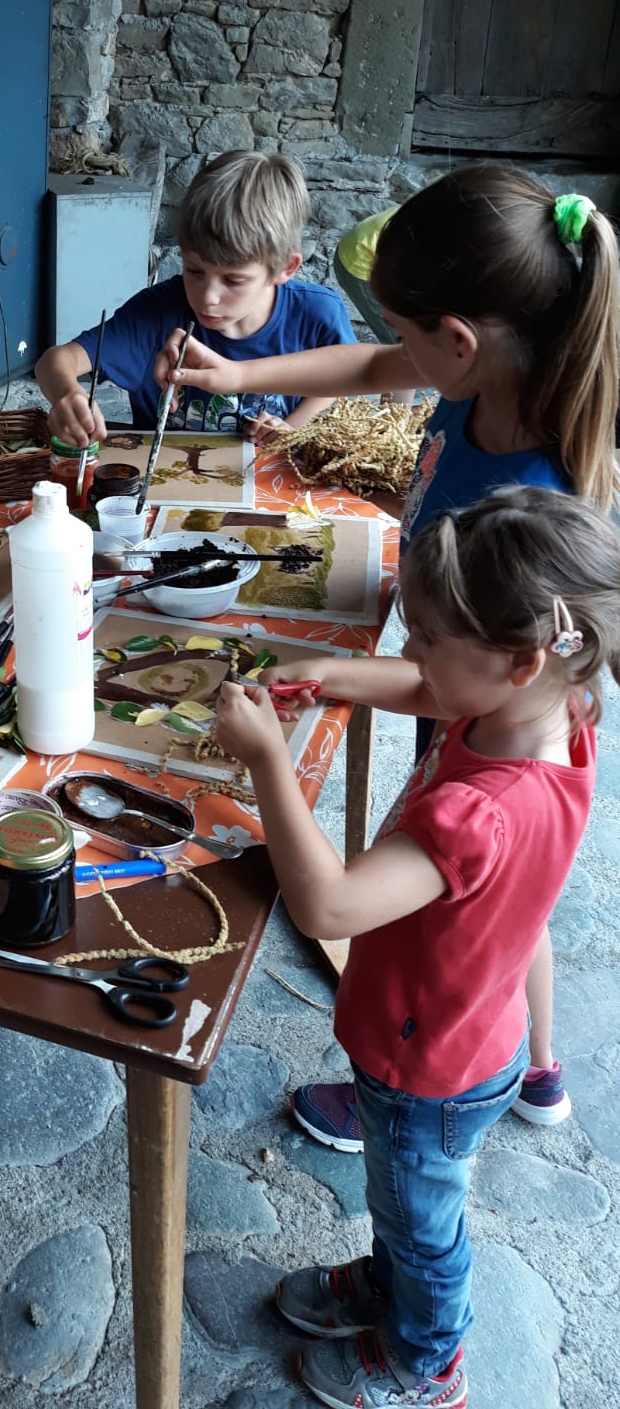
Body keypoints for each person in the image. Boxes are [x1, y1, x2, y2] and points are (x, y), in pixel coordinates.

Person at [157, 165, 620, 1144]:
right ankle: (530, 1063)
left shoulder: (525, 494)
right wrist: (236, 375)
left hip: (477, 697)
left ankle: (428, 1078)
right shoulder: (487, 368)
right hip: (473, 678)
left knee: (468, 891)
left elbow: (448, 690)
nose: (396, 349)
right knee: (506, 894)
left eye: (410, 331)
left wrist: (332, 692)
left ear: (457, 340)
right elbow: (368, 368)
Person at [212, 485, 620, 1409]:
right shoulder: (556, 715)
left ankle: (427, 1360)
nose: (409, 655)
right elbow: (431, 689)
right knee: (407, 1209)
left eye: (427, 640)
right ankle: (392, 1283)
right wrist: (326, 676)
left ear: (518, 661)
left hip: (426, 1067)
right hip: (473, 1028)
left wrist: (272, 758)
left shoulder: (477, 813)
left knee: (423, 1219)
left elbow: (325, 905)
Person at [36, 149, 355, 450]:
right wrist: (67, 394)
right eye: (194, 270)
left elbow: (342, 378)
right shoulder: (156, 312)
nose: (208, 297)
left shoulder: (317, 314)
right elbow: (55, 361)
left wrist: (292, 425)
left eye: (234, 279)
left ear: (284, 268)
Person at [333, 206, 413, 407]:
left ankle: (391, 421)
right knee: (407, 346)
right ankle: (392, 426)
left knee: (407, 344)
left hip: (374, 250)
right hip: (363, 256)